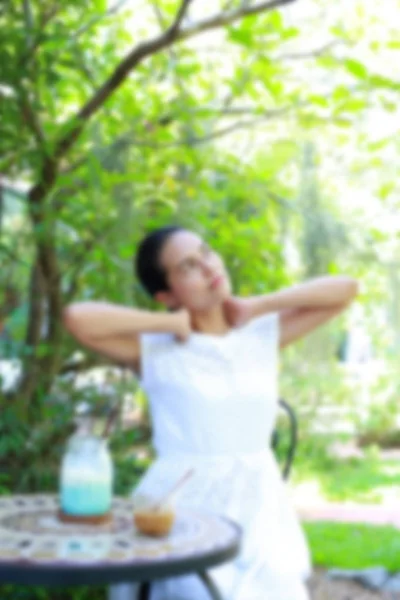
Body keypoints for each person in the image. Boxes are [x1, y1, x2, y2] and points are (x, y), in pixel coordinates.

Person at [63, 226, 358, 600]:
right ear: (166, 294)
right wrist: (168, 323)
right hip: (182, 507)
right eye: (187, 267)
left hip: (259, 506)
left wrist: (258, 306)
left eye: (206, 252)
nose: (207, 266)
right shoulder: (154, 350)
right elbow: (77, 317)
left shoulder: (261, 334)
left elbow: (345, 289)